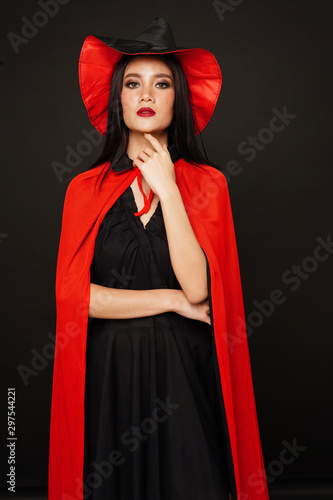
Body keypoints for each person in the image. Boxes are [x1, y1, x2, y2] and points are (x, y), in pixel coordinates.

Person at [48, 17, 270, 500]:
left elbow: (200, 290)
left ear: (177, 98)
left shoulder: (208, 184)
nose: (146, 94)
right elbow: (76, 299)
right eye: (133, 83)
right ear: (118, 98)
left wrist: (169, 188)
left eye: (161, 83)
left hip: (184, 380)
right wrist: (169, 301)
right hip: (109, 381)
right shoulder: (84, 190)